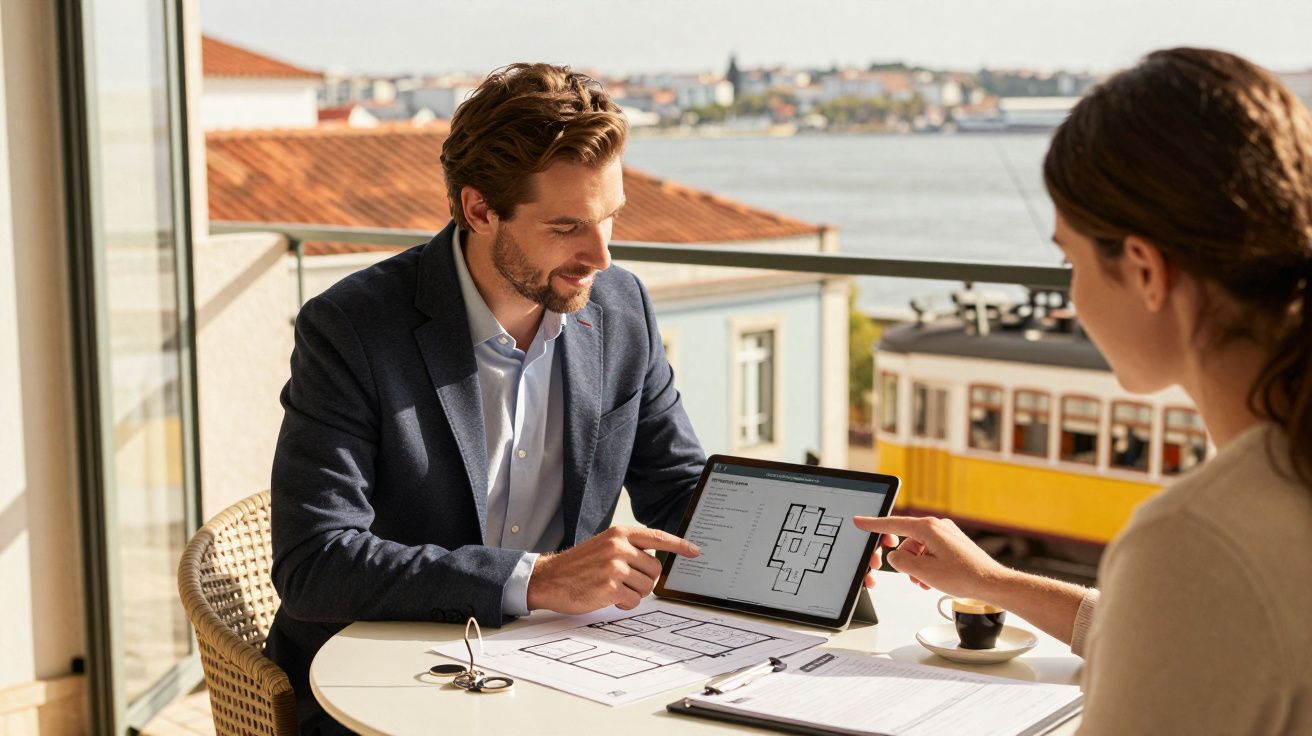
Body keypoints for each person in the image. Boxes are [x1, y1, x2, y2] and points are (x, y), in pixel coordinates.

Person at [857, 48, 1312, 734]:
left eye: (1069, 259)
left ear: (1145, 271)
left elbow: (1202, 609)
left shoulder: (1196, 542)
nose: (1070, 292)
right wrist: (994, 585)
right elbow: (1199, 636)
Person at [264, 63, 705, 733]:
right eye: (567, 228)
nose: (601, 256)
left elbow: (676, 491)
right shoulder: (352, 328)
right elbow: (316, 563)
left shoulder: (622, 309)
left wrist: (804, 549)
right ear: (478, 210)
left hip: (565, 676)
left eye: (609, 218)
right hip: (378, 687)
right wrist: (536, 579)